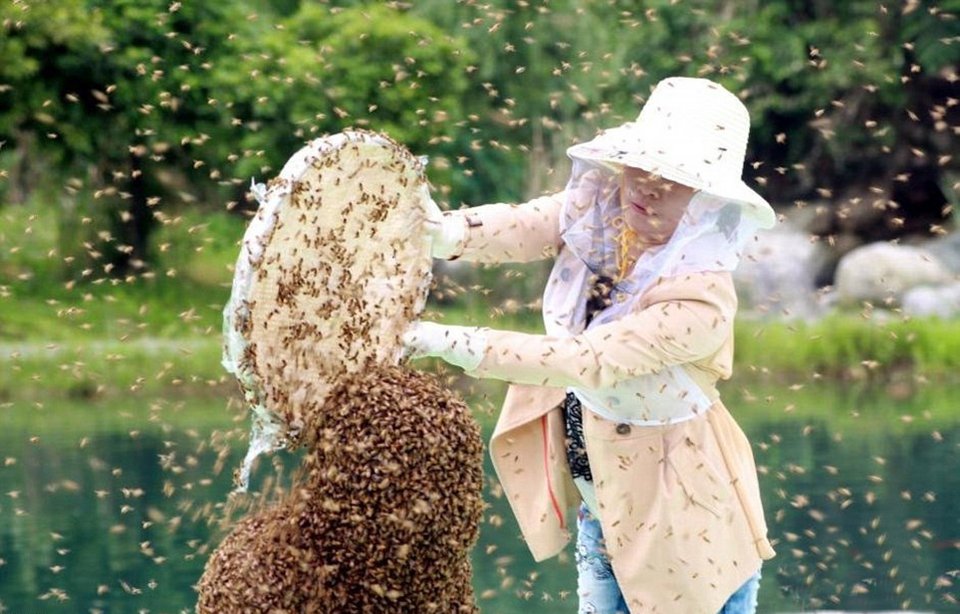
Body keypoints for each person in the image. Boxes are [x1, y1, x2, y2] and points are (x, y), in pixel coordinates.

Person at [404, 76, 777, 613]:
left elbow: (590, 360)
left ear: (707, 200)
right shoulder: (605, 213)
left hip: (687, 529)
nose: (648, 187)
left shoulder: (702, 299)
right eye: (643, 166)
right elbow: (534, 223)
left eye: (675, 179)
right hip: (605, 511)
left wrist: (442, 340)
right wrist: (446, 233)